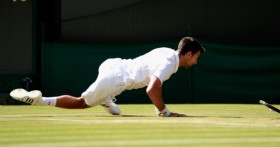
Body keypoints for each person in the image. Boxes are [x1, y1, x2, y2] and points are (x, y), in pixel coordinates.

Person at [10, 37, 205, 117]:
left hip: (113, 64)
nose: (195, 62)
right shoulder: (170, 63)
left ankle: (105, 99)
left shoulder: (166, 51)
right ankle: (39, 100)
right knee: (81, 103)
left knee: (116, 111)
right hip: (115, 79)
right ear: (188, 54)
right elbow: (152, 89)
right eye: (195, 58)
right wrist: (164, 111)